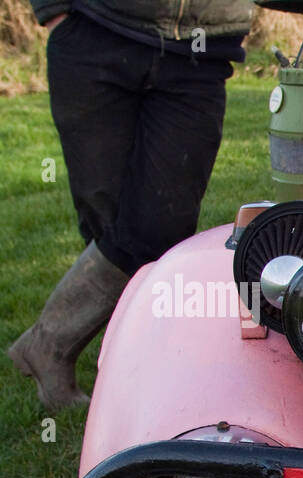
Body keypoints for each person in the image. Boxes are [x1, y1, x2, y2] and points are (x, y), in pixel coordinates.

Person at [9, 0, 252, 409]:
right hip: (96, 30)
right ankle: (122, 365)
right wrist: (52, 8)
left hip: (199, 54)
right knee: (105, 216)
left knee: (161, 226)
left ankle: (50, 343)